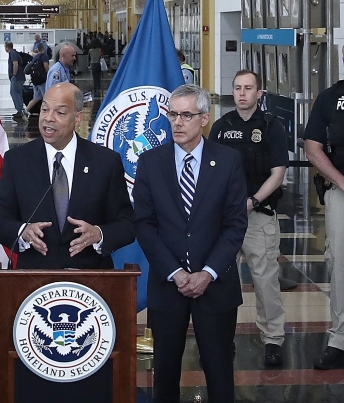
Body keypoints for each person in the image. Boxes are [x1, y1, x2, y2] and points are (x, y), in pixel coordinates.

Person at [133, 84, 247, 403]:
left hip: (216, 286)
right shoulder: (151, 162)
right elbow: (144, 224)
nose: (177, 122)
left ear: (205, 118)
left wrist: (207, 272)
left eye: (186, 115)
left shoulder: (228, 161)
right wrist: (176, 273)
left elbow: (235, 224)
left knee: (219, 369)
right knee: (165, 371)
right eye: (173, 115)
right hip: (168, 287)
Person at [0, 82, 134, 268]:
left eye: (59, 113)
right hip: (34, 283)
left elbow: (127, 226)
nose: (48, 118)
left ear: (77, 118)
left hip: (90, 283)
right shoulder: (17, 161)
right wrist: (23, 231)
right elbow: (0, 223)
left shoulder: (105, 162)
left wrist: (98, 234)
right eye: (44, 109)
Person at [209, 69, 288, 368]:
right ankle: (219, 339)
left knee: (266, 280)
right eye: (238, 88)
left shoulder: (272, 127)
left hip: (259, 216)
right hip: (224, 219)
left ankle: (273, 339)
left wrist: (253, 201)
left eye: (248, 88)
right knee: (220, 281)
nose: (242, 93)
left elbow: (278, 174)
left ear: (259, 94)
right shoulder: (220, 126)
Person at [302, 48, 344, 369]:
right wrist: (341, 181)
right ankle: (339, 340)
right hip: (340, 193)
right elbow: (312, 147)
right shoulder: (329, 98)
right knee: (340, 269)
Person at [22, 42, 49, 118]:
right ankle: (45, 113)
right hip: (42, 81)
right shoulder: (44, 56)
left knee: (36, 98)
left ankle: (26, 111)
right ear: (44, 48)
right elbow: (46, 67)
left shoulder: (36, 57)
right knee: (46, 97)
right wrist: (49, 75)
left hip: (35, 81)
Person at [5, 42, 24, 121]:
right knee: (18, 94)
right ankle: (20, 110)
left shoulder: (13, 53)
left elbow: (15, 64)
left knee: (14, 93)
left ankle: (20, 111)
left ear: (7, 47)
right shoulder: (14, 53)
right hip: (19, 77)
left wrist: (14, 75)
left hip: (17, 77)